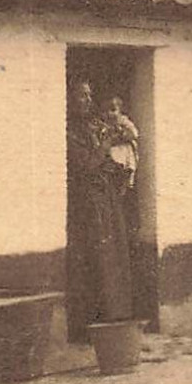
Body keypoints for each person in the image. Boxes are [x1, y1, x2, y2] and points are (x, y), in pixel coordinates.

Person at [66, 81, 134, 338]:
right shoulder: (71, 130)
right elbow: (86, 164)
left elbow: (107, 161)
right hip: (87, 202)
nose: (87, 99)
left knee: (113, 254)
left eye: (89, 94)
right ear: (71, 98)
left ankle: (115, 319)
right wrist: (105, 147)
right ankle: (92, 326)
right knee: (95, 258)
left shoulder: (94, 124)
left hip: (106, 198)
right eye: (81, 94)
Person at [102, 96, 139, 192]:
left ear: (120, 110)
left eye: (113, 110)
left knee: (128, 150)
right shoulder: (104, 124)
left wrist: (122, 133)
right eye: (106, 111)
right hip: (113, 151)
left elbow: (134, 133)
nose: (110, 114)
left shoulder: (123, 121)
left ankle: (125, 180)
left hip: (123, 150)